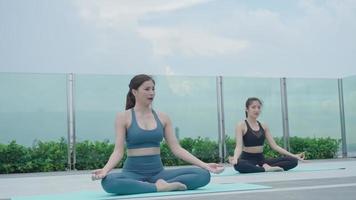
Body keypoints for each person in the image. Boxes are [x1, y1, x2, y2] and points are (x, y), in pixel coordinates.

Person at [92, 74, 224, 195]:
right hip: (132, 174)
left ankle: (147, 186)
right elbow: (118, 152)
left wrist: (205, 165)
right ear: (134, 92)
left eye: (153, 89)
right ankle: (159, 187)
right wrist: (105, 170)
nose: (151, 93)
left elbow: (177, 149)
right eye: (147, 89)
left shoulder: (163, 117)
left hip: (159, 174)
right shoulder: (123, 117)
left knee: (203, 175)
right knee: (109, 182)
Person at [228, 97, 305, 173]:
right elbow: (239, 146)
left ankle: (262, 167)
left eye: (259, 107)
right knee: (238, 165)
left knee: (293, 161)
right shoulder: (241, 125)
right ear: (247, 109)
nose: (257, 110)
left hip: (262, 160)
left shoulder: (264, 126)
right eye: (253, 107)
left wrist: (294, 155)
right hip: (247, 160)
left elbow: (275, 146)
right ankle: (265, 169)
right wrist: (235, 158)